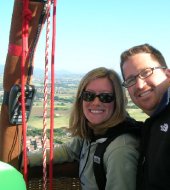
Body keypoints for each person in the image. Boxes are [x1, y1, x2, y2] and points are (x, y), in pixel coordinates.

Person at [28, 67, 142, 190]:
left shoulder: (120, 150)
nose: (96, 102)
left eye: (105, 97)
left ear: (118, 102)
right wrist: (25, 160)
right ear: (80, 99)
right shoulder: (93, 130)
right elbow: (69, 151)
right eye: (89, 95)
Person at [120, 43, 170, 190]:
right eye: (130, 80)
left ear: (167, 74)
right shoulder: (155, 123)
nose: (139, 85)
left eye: (146, 72)